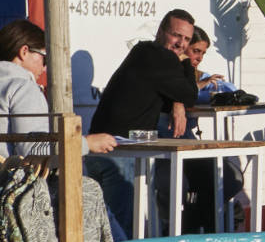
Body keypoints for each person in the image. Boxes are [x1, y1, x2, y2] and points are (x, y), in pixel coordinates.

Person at [0, 20, 114, 156]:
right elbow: (33, 149)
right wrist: (86, 143)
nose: (44, 68)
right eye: (45, 59)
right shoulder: (23, 88)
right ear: (24, 52)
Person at [92, 9, 198, 139]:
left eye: (187, 39)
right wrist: (187, 61)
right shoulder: (162, 57)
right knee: (187, 141)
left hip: (105, 139)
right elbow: (191, 96)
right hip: (123, 143)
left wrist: (178, 102)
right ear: (160, 32)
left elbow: (174, 94)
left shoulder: (142, 49)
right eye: (176, 35)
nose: (181, 44)